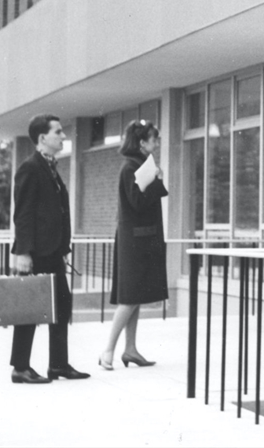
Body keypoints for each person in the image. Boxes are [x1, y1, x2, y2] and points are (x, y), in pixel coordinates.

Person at [10, 115, 89, 383]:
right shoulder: (30, 168)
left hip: (53, 252)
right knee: (30, 308)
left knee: (62, 307)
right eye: (58, 132)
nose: (64, 136)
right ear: (43, 138)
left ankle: (58, 365)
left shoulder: (51, 167)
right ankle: (20, 367)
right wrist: (23, 252)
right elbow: (23, 213)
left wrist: (63, 249)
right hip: (36, 253)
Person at [99, 120, 169, 370]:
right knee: (129, 298)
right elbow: (138, 202)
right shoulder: (130, 167)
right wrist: (157, 181)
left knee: (135, 296)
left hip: (140, 240)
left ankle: (130, 349)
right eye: (154, 139)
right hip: (134, 243)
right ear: (142, 143)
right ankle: (108, 350)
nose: (157, 143)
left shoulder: (137, 165)